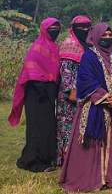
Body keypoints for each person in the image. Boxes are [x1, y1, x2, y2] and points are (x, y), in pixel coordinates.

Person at [59, 23, 112, 192]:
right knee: (93, 143)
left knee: (110, 142)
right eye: (103, 35)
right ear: (95, 36)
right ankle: (93, 178)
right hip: (93, 107)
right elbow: (85, 80)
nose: (107, 37)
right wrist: (105, 97)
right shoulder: (89, 56)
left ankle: (109, 178)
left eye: (110, 34)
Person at [9, 17, 61, 172]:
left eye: (57, 28)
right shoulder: (37, 47)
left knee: (49, 127)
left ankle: (47, 158)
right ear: (44, 30)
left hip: (49, 94)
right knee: (37, 128)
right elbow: (31, 70)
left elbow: (55, 70)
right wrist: (43, 86)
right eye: (51, 28)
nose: (55, 31)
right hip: (36, 94)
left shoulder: (54, 47)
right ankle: (32, 161)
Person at [56, 15, 91, 166]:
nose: (84, 29)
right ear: (73, 28)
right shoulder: (69, 44)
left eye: (87, 26)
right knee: (67, 125)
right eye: (81, 27)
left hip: (85, 92)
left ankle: (78, 156)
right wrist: (71, 91)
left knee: (80, 124)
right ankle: (64, 158)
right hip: (70, 94)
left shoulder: (87, 44)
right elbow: (66, 71)